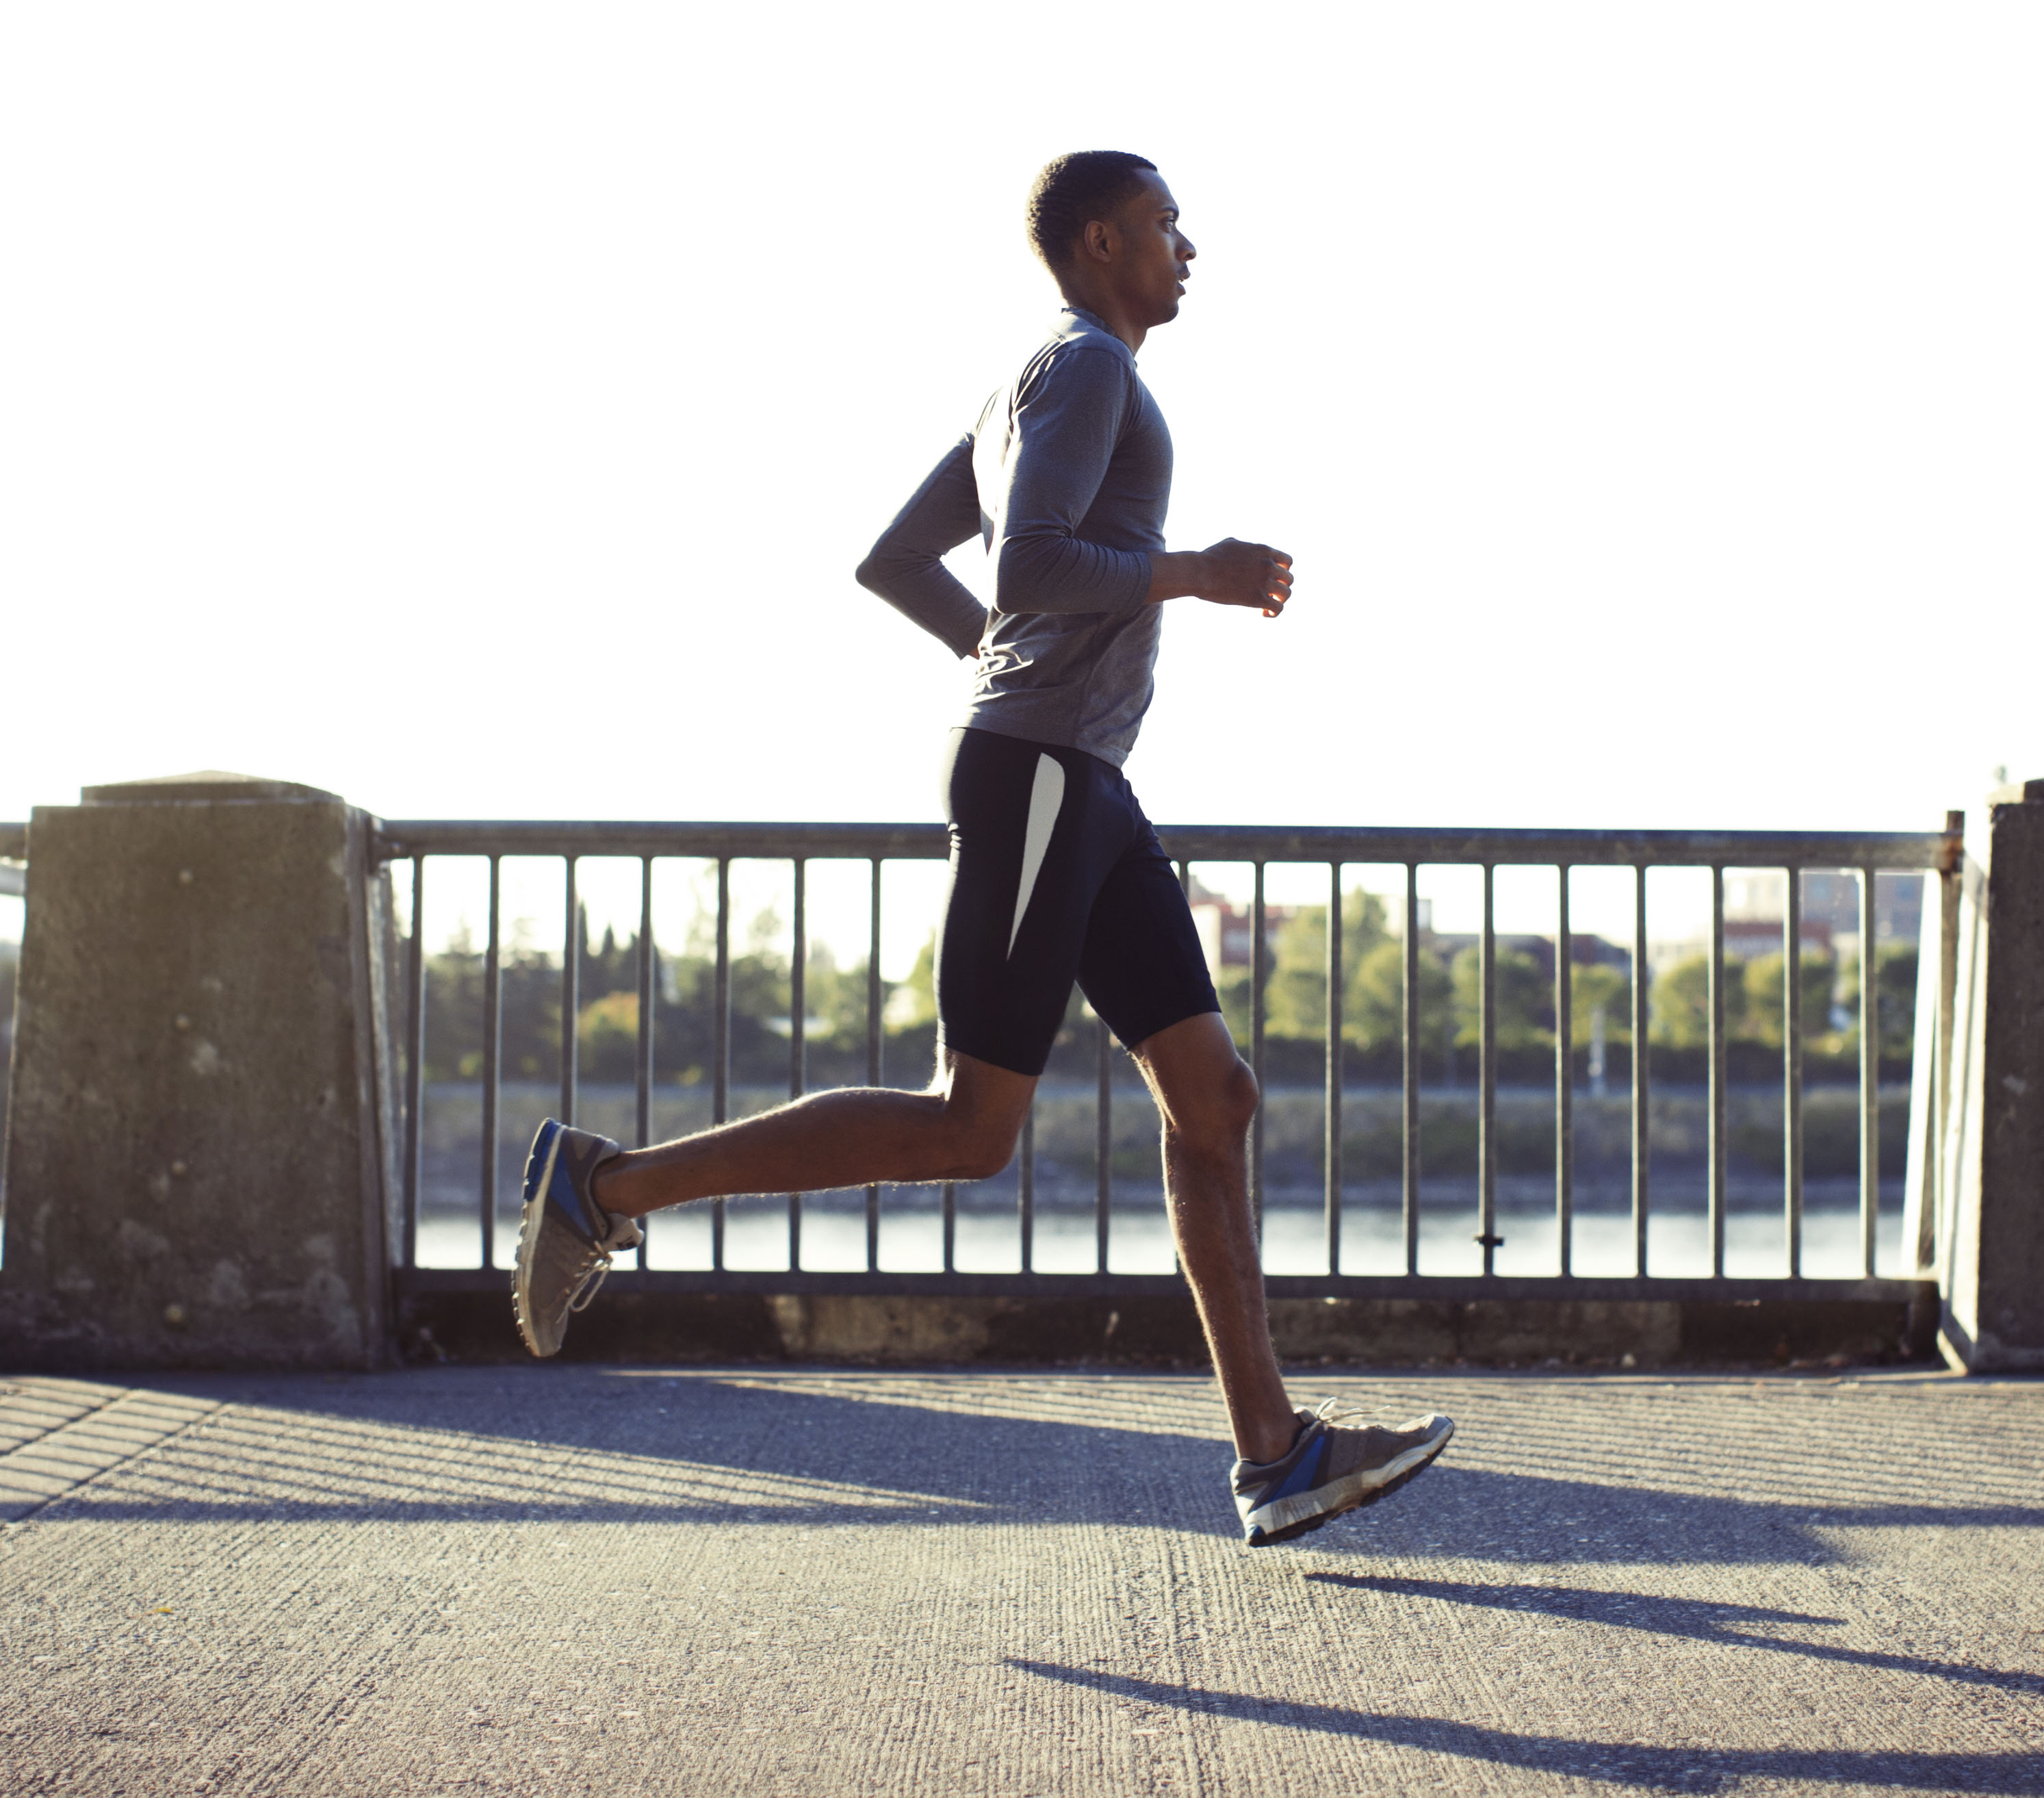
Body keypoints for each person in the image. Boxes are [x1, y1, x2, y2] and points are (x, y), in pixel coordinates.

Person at [510, 151, 1451, 1548]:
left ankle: (1275, 1456)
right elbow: (1025, 566)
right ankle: (606, 1185)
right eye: (1161, 225)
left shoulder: (1029, 387)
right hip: (1038, 778)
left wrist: (1012, 676)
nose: (1185, 246)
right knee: (971, 1126)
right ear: (1096, 240)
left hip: (1081, 779)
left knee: (1214, 1097)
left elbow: (896, 561)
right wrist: (1187, 575)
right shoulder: (1084, 372)